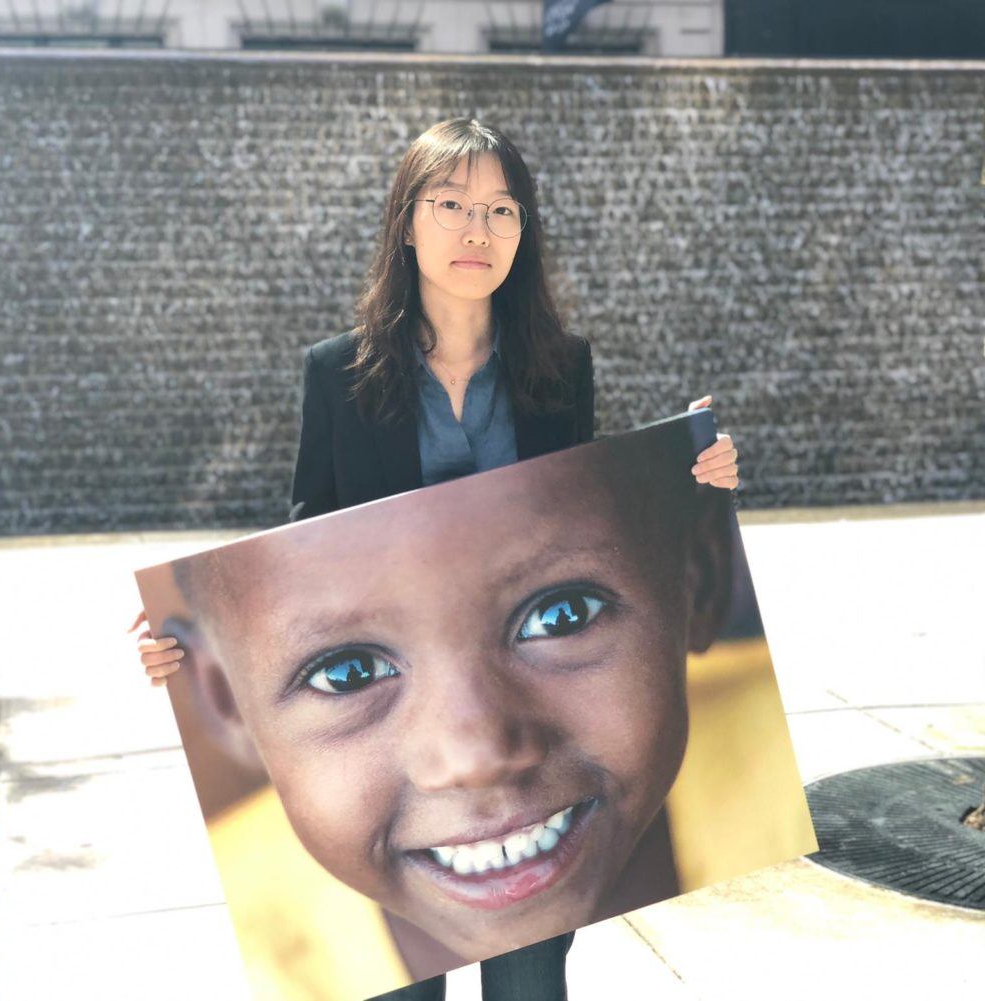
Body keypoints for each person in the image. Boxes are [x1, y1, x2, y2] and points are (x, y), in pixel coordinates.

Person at [129, 116, 739, 1001]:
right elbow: (309, 544)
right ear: (406, 223)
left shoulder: (560, 370)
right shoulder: (338, 374)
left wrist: (697, 478)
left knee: (530, 987)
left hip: (537, 784)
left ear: (523, 234)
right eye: (451, 204)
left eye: (501, 209)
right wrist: (183, 648)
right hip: (396, 767)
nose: (476, 230)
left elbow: (584, 523)